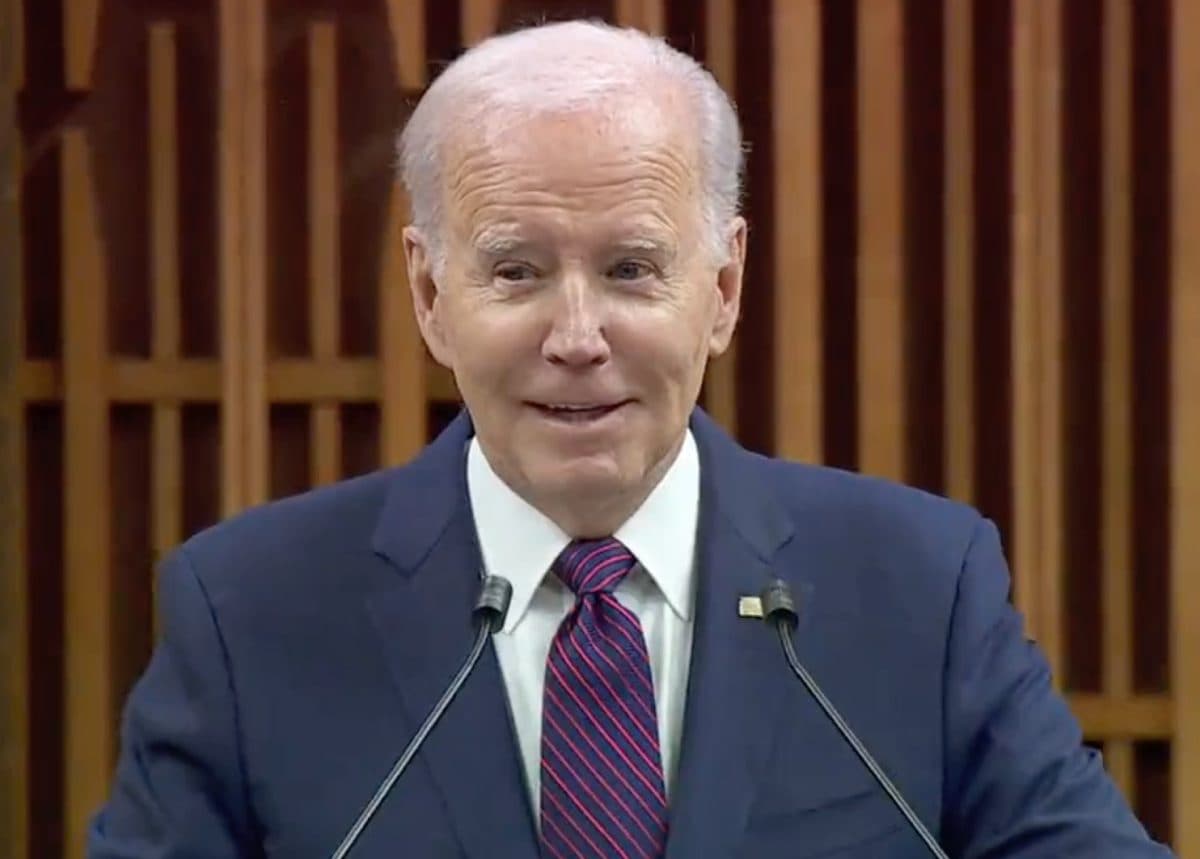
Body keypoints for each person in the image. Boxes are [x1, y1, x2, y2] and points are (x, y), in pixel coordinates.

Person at [89, 19, 1172, 859]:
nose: (576, 338)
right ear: (429, 293)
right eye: (515, 271)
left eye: (630, 270)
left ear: (725, 286)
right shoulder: (247, 611)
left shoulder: (918, 587)